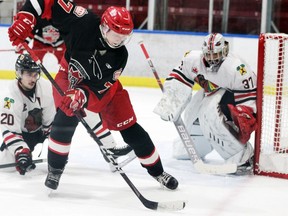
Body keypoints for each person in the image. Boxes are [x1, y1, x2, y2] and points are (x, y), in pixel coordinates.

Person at [8, 1, 179, 190]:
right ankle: (55, 170)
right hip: (69, 76)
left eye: (124, 37)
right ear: (104, 26)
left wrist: (81, 94)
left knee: (130, 128)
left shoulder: (120, 55)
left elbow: (99, 88)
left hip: (104, 91)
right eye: (116, 35)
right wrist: (27, 16)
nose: (119, 41)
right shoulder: (82, 21)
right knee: (65, 118)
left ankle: (158, 172)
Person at [154, 33, 257, 173]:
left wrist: (245, 114)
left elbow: (249, 95)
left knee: (210, 113)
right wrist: (172, 100)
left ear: (224, 51)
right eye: (209, 54)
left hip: (231, 98)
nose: (212, 58)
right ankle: (195, 146)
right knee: (192, 113)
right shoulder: (192, 59)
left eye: (216, 54)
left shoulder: (238, 68)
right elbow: (180, 77)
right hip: (210, 92)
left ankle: (242, 157)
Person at [0, 54, 55, 175]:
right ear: (19, 74)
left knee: (55, 158)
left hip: (41, 133)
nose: (33, 79)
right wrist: (21, 151)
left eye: (35, 74)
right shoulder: (9, 97)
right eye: (29, 74)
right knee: (6, 166)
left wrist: (54, 145)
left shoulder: (45, 87)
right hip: (21, 135)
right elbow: (10, 130)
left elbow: (51, 122)